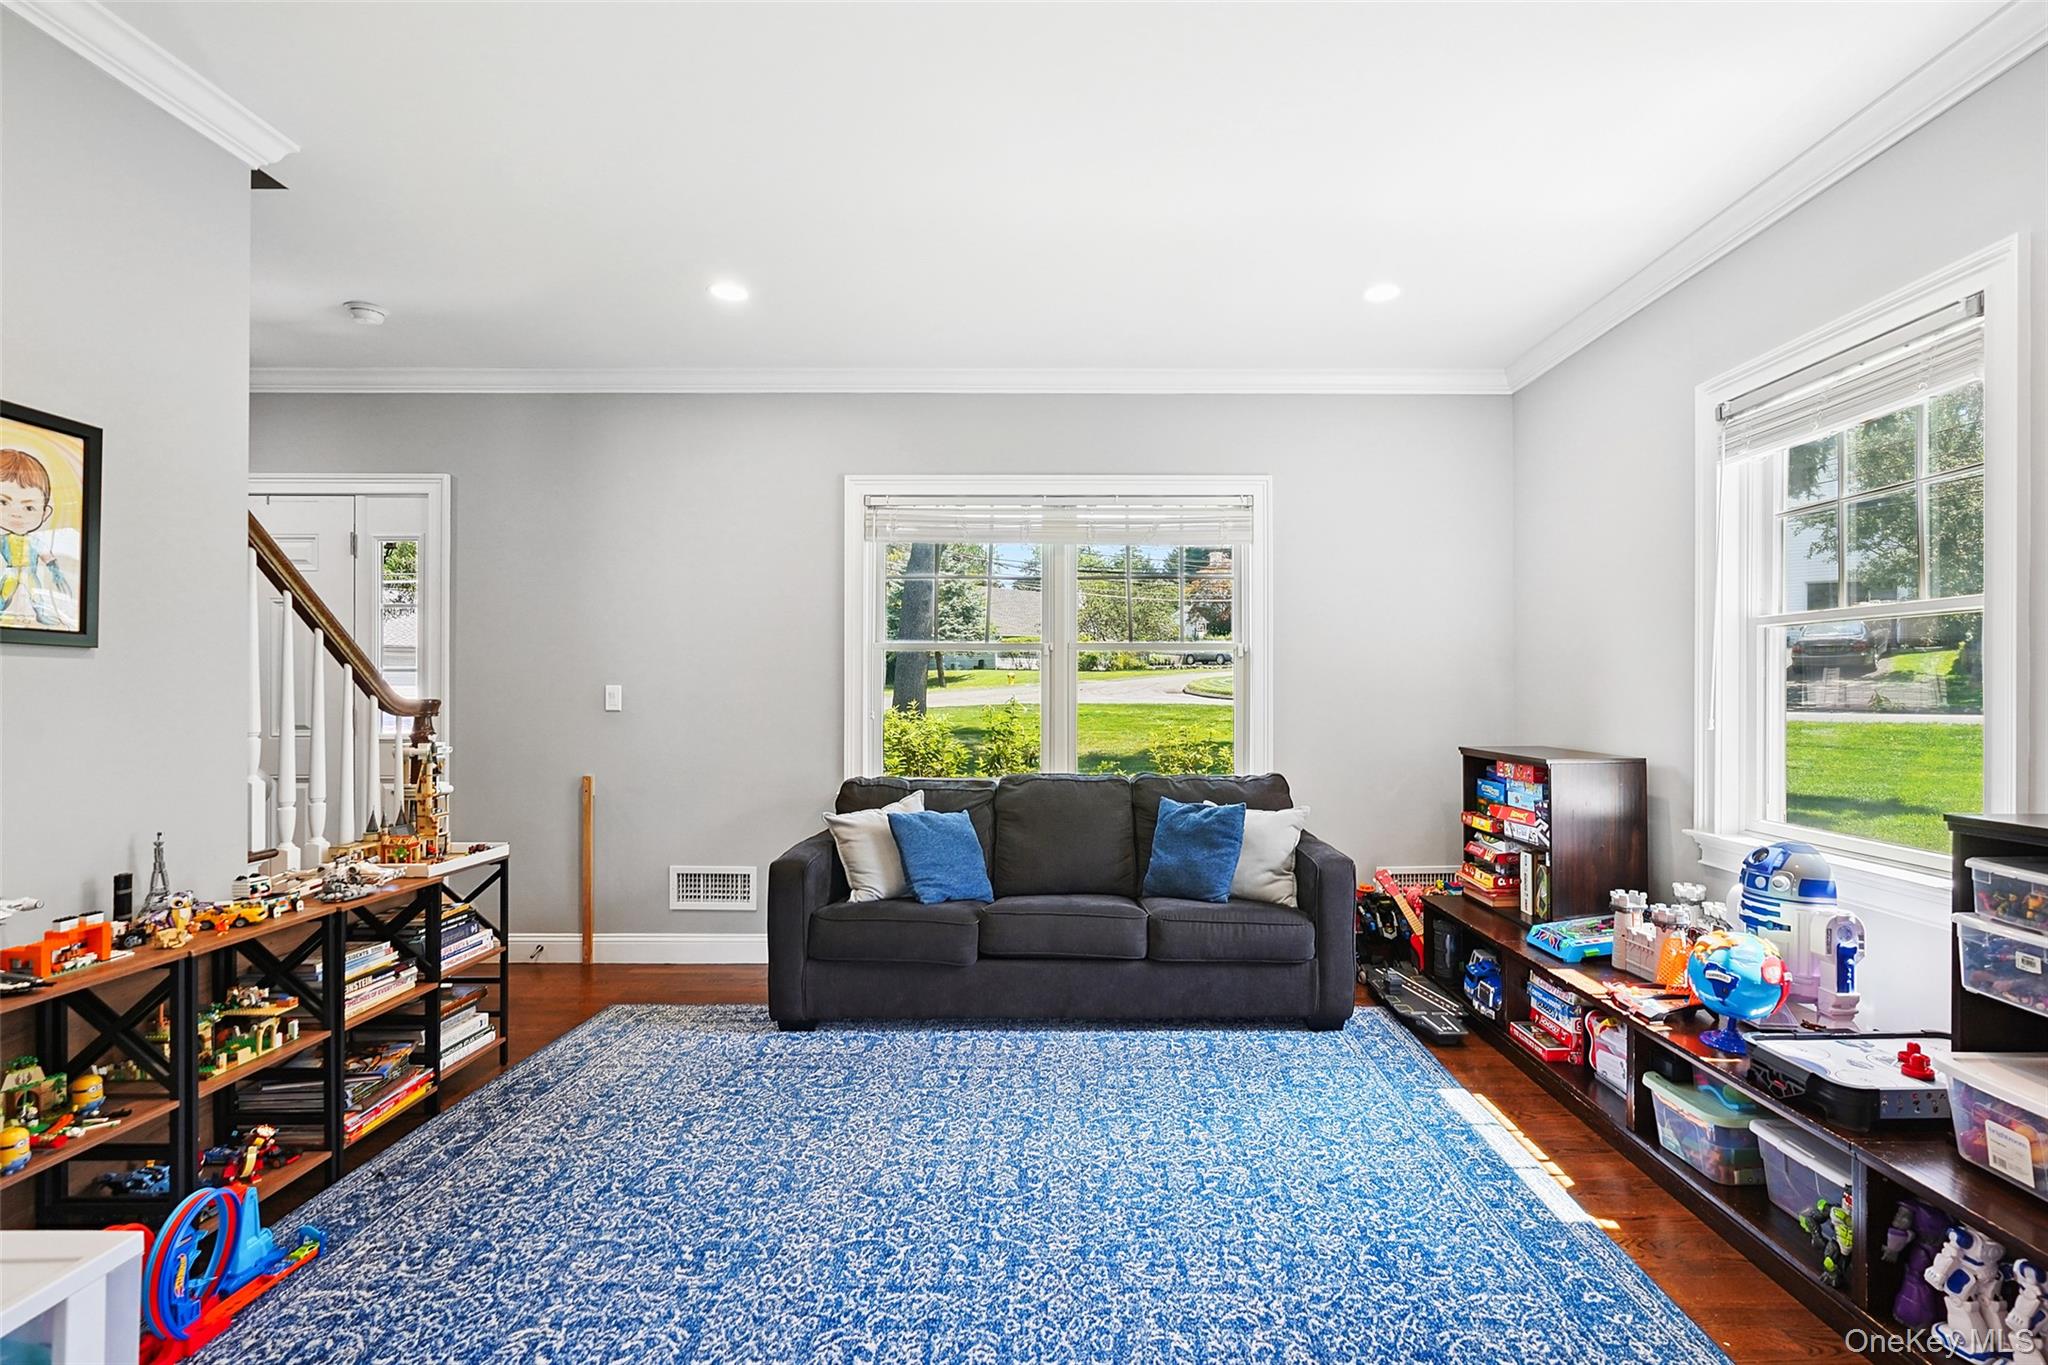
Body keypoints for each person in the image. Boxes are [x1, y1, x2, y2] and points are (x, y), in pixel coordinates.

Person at [0, 447, 73, 627]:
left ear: (45, 513)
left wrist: (55, 572)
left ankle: (41, 614)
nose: (16, 514)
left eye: (29, 508)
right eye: (3, 502)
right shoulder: (4, 540)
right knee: (3, 593)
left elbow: (47, 557)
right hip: (11, 572)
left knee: (36, 594)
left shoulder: (36, 541)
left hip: (29, 572)